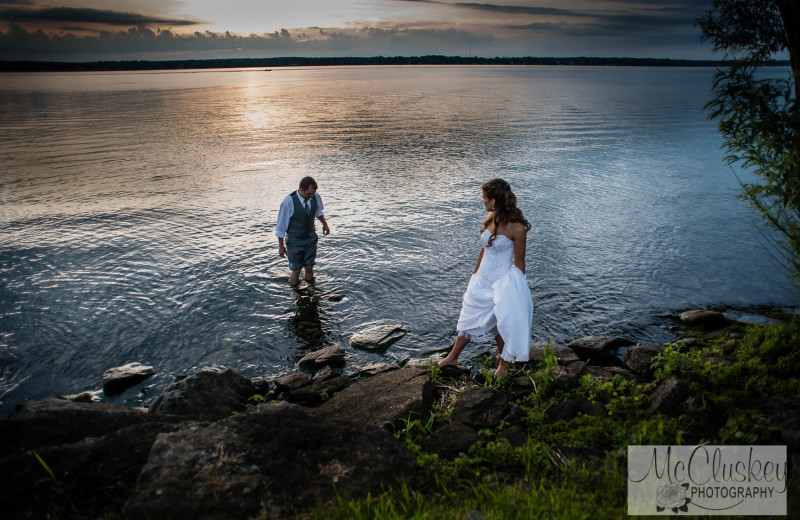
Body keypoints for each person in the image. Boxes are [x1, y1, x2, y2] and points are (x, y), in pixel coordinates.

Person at [439, 178, 533, 378]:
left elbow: (520, 263)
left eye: (483, 198)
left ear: (493, 201)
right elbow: (485, 247)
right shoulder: (491, 218)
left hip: (501, 284)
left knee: (501, 324)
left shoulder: (517, 228)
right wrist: (475, 273)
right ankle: (452, 357)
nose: (481, 201)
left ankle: (503, 366)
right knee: (468, 318)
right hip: (482, 280)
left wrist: (515, 291)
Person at [275, 176, 330, 285]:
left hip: (310, 239)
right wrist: (281, 247)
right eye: (309, 194)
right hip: (294, 241)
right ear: (301, 190)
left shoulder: (315, 197)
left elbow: (318, 212)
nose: (311, 196)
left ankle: (311, 291)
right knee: (296, 270)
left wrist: (325, 224)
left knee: (309, 267)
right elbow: (281, 227)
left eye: (313, 193)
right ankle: (295, 294)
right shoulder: (288, 202)